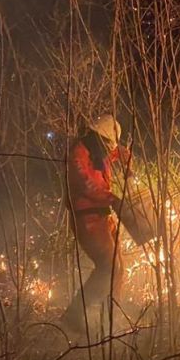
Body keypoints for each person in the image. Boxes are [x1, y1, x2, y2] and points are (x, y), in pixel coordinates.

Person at [64, 114, 131, 328]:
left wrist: (127, 161)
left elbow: (119, 153)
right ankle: (75, 313)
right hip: (88, 218)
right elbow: (86, 185)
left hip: (103, 215)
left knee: (119, 268)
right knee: (109, 267)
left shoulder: (98, 151)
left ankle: (111, 316)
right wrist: (112, 199)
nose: (111, 148)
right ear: (99, 137)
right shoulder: (78, 155)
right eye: (109, 143)